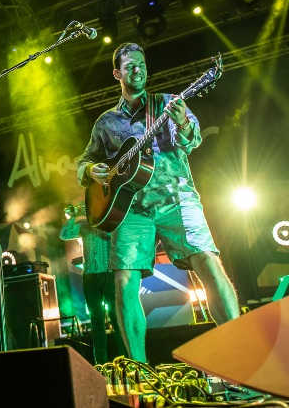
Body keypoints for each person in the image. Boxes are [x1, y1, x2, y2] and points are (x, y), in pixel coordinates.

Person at [77, 42, 239, 363]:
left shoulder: (168, 103)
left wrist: (182, 123)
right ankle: (140, 369)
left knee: (207, 262)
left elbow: (192, 141)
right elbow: (86, 160)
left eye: (141, 64)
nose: (137, 70)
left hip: (177, 197)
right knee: (124, 280)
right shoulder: (106, 122)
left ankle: (241, 349)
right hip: (131, 208)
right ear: (117, 74)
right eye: (129, 66)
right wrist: (90, 170)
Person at [60, 204, 126, 365]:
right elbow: (64, 234)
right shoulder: (83, 226)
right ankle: (101, 363)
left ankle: (128, 360)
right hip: (89, 276)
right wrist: (74, 216)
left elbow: (111, 235)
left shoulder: (108, 223)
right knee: (96, 321)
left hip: (108, 274)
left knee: (116, 319)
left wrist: (95, 220)